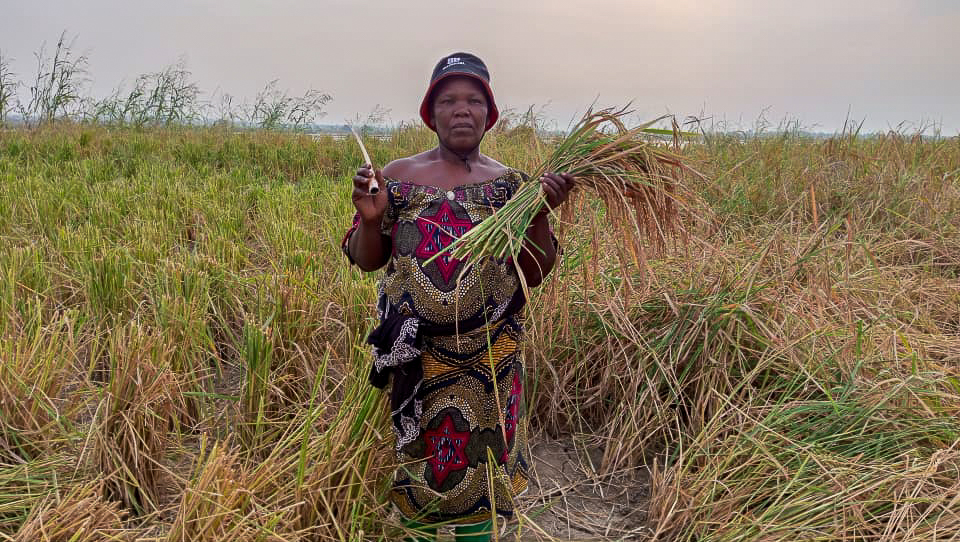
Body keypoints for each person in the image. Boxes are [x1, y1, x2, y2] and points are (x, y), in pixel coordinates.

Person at [342, 52, 575, 541]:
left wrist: (537, 213)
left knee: (482, 473)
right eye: (448, 100)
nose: (462, 109)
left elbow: (534, 272)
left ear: (491, 114)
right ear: (431, 113)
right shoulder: (399, 178)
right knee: (421, 471)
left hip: (490, 364)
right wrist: (369, 217)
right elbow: (368, 259)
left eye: (474, 100)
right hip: (419, 364)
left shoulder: (512, 186)